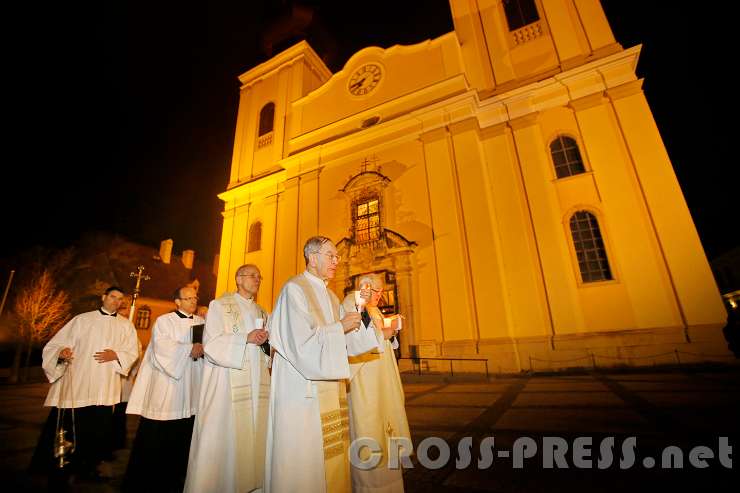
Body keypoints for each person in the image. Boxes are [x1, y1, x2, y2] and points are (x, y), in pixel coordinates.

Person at [265, 236, 362, 493]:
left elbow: (347, 340)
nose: (336, 261)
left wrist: (375, 333)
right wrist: (339, 328)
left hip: (327, 388)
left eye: (337, 257)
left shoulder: (330, 295)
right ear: (312, 257)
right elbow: (299, 343)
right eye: (331, 255)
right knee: (304, 459)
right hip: (302, 389)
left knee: (329, 458)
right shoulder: (294, 289)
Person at [29, 286, 139, 481]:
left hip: (104, 387)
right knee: (69, 428)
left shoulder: (126, 325)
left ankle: (89, 467)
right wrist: (62, 353)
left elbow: (133, 351)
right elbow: (55, 345)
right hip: (78, 384)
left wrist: (117, 355)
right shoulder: (82, 320)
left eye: (120, 299)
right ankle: (60, 467)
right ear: (104, 297)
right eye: (113, 297)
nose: (116, 301)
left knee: (96, 431)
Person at [185, 264, 271, 493]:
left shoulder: (263, 312)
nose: (257, 279)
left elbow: (267, 351)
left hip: (257, 384)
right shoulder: (219, 306)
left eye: (259, 276)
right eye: (252, 275)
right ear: (238, 279)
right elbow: (211, 344)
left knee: (254, 433)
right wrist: (245, 338)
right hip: (227, 383)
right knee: (226, 436)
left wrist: (265, 343)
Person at [123, 286, 205, 493]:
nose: (193, 301)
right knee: (159, 436)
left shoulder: (202, 323)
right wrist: (189, 349)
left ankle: (178, 478)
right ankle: (150, 481)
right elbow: (162, 347)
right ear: (177, 301)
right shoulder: (164, 321)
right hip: (169, 386)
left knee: (185, 434)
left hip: (193, 385)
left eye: (195, 298)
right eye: (188, 298)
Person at [342, 275, 411, 493]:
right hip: (366, 382)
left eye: (381, 292)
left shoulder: (375, 309)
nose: (380, 296)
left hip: (383, 381)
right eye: (376, 291)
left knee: (387, 425)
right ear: (364, 288)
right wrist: (384, 333)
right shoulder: (351, 303)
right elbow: (354, 341)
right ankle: (368, 487)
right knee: (369, 428)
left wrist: (390, 330)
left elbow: (378, 337)